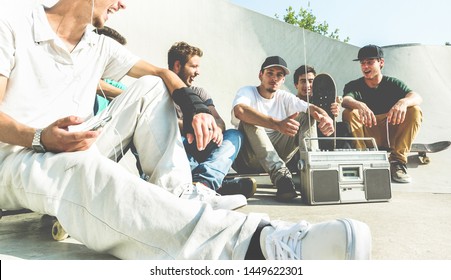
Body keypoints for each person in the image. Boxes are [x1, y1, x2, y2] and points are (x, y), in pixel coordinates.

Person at [0, 0, 372, 260]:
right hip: (16, 156)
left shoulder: (96, 46)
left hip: (74, 143)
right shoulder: (13, 23)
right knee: (80, 168)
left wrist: (197, 109)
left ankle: (182, 194)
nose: (122, 5)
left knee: (151, 86)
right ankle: (251, 248)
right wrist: (39, 136)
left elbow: (163, 74)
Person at [231, 56, 335, 202]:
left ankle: (314, 171)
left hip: (277, 153)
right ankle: (282, 177)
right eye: (270, 73)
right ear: (261, 75)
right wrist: (277, 124)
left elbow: (311, 108)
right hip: (248, 159)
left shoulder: (284, 97)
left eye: (279, 75)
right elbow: (240, 111)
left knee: (307, 116)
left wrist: (325, 117)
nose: (274, 78)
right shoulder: (247, 91)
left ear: (283, 80)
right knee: (248, 118)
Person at [168, 41, 256, 198]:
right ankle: (214, 184)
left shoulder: (199, 92)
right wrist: (192, 125)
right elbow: (163, 125)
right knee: (175, 137)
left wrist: (216, 129)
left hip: (202, 144)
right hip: (176, 146)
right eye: (193, 66)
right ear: (177, 66)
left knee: (235, 136)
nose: (198, 72)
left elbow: (218, 120)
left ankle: (203, 182)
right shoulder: (159, 90)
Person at [342, 44, 423, 183]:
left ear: (381, 62)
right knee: (349, 112)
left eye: (369, 62)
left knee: (414, 110)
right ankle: (361, 158)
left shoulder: (392, 83)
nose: (365, 67)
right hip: (368, 135)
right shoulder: (354, 85)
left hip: (391, 133)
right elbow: (346, 99)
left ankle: (397, 162)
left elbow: (417, 97)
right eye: (362, 63)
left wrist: (403, 102)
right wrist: (360, 104)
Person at [293, 65, 351, 150]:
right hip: (300, 136)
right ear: (296, 85)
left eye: (310, 81)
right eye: (303, 81)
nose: (307, 85)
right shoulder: (292, 101)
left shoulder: (321, 102)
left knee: (344, 127)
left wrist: (334, 111)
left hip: (323, 131)